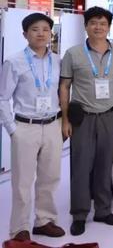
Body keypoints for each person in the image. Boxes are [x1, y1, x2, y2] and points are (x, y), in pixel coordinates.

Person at [60, 6, 113, 236]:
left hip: (110, 116)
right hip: (83, 118)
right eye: (93, 23)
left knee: (105, 165)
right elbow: (64, 86)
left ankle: (103, 210)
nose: (98, 27)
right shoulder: (73, 53)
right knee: (80, 166)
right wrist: (65, 119)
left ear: (109, 27)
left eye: (103, 23)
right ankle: (79, 214)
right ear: (86, 26)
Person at [0, 13, 65, 241]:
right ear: (25, 34)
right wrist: (13, 130)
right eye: (35, 29)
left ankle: (44, 221)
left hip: (53, 125)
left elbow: (63, 92)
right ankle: (20, 228)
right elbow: (2, 98)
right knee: (22, 181)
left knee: (50, 177)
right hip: (25, 126)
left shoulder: (58, 61)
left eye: (45, 29)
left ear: (51, 34)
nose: (41, 34)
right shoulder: (14, 61)